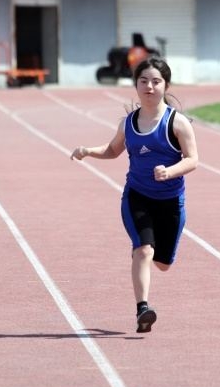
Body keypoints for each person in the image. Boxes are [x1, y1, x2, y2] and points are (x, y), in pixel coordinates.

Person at [70, 58, 198, 333]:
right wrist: (89, 151)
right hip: (137, 196)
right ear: (136, 85)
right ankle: (143, 308)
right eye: (143, 81)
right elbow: (114, 150)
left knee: (162, 263)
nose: (149, 87)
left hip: (171, 201)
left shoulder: (178, 123)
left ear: (166, 85)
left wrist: (171, 170)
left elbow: (193, 160)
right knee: (143, 249)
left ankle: (148, 261)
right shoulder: (128, 122)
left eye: (156, 81)